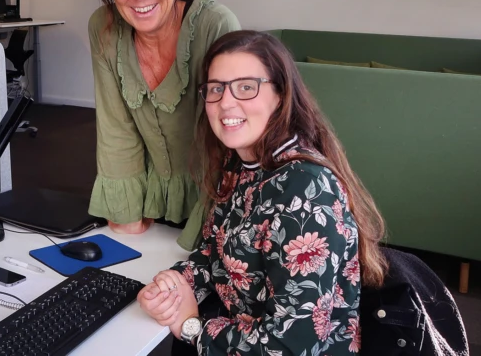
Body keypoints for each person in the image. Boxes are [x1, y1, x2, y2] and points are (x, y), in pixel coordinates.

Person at [137, 30, 388, 355]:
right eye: (216, 88)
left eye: (245, 87)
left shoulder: (306, 192)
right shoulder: (240, 163)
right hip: (238, 333)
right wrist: (174, 286)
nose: (226, 102)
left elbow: (292, 343)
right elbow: (215, 254)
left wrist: (192, 328)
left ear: (281, 94)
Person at [88, 0, 240, 250]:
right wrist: (125, 210)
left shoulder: (215, 25)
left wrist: (201, 230)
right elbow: (116, 127)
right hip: (151, 199)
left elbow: (226, 145)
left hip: (215, 196)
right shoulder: (104, 27)